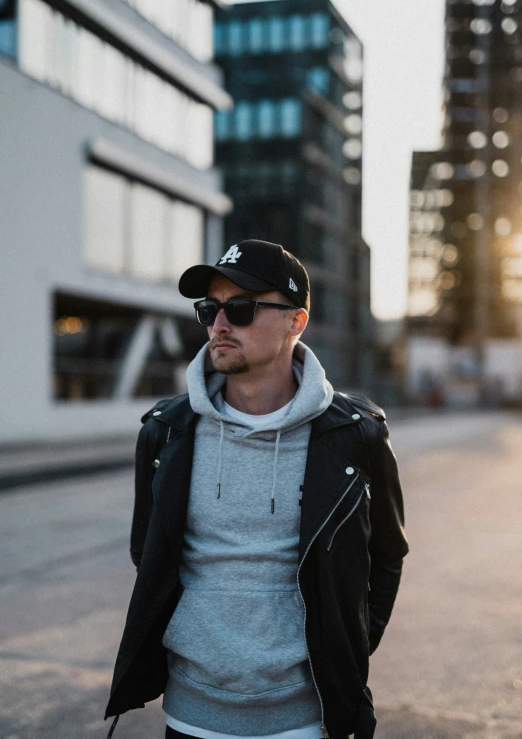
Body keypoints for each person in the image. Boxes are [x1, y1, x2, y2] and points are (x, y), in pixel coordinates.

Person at [105, 239, 408, 739]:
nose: (219, 325)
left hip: (304, 719)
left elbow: (386, 557)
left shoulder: (355, 435)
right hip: (191, 713)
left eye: (241, 308)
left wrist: (344, 652)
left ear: (296, 321)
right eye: (210, 309)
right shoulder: (165, 431)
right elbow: (149, 551)